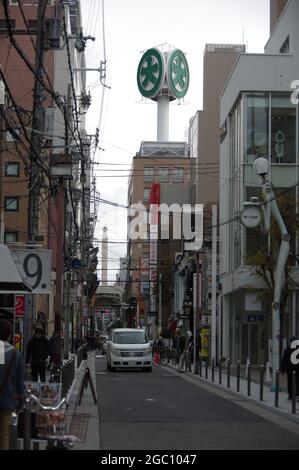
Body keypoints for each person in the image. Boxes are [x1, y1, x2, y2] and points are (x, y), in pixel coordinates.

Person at [0, 319, 25, 450]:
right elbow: (20, 382)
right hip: (7, 400)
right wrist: (21, 401)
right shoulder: (15, 354)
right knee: (4, 436)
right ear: (10, 335)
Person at [281, 336, 299, 400]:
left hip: (290, 369)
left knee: (290, 382)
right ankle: (297, 394)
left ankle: (290, 395)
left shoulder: (287, 349)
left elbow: (284, 360)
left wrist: (282, 370)